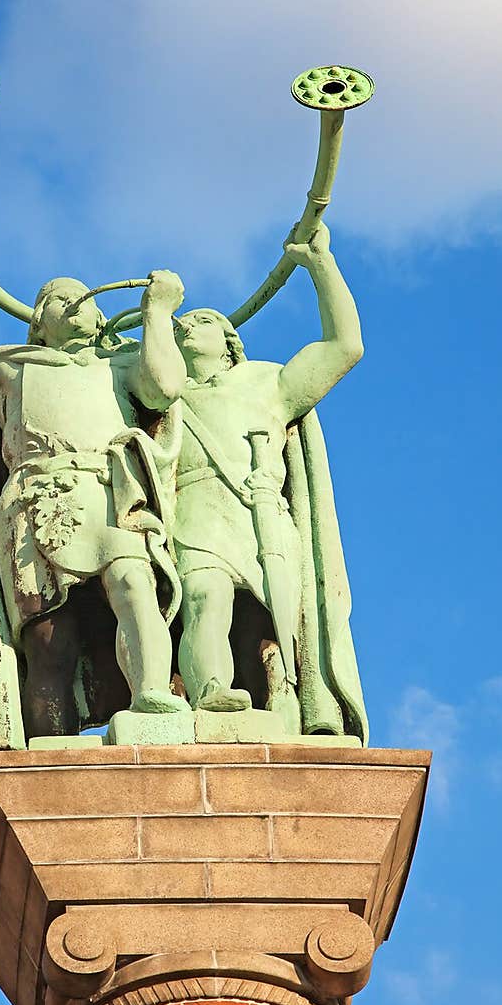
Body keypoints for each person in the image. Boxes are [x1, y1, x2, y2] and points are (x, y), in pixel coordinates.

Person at [0, 237, 190, 741]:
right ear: (38, 323)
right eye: (59, 298)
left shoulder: (119, 366)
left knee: (133, 584)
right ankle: (50, 746)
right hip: (39, 504)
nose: (75, 303)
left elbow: (164, 388)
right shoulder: (12, 373)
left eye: (84, 297)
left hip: (112, 491)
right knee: (48, 640)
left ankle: (152, 698)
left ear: (102, 320)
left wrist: (159, 313)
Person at [172, 223, 368, 741]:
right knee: (203, 597)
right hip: (194, 507)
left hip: (262, 516)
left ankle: (287, 703)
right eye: (182, 323)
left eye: (203, 319)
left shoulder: (268, 381)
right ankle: (211, 692)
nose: (188, 326)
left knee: (273, 630)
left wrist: (319, 263)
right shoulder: (160, 392)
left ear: (229, 340)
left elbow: (344, 346)